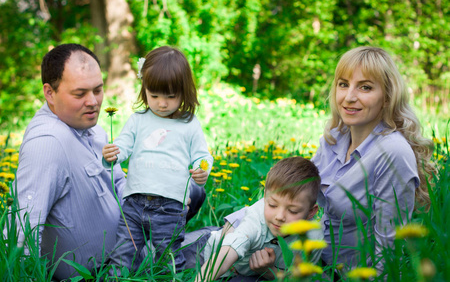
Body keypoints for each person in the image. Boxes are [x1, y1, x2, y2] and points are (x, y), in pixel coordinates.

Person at [14, 44, 206, 281]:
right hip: (103, 271)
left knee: (194, 191)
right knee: (222, 240)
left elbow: (118, 183)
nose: (93, 102)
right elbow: (24, 224)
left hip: (135, 232)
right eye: (80, 93)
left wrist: (157, 193)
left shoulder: (90, 128)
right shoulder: (47, 143)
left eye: (97, 90)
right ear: (50, 93)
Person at [313, 46, 435, 273]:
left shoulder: (392, 153)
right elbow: (292, 195)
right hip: (312, 262)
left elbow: (388, 251)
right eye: (343, 84)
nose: (349, 97)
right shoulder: (335, 138)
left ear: (388, 98)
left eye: (365, 87)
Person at [102, 46, 213, 273]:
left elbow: (202, 156)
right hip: (133, 204)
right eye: (154, 96)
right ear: (145, 89)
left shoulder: (189, 124)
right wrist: (113, 155)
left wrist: (202, 169)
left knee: (168, 258)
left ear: (184, 92)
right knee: (122, 256)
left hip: (170, 208)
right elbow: (123, 145)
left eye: (170, 97)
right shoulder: (138, 120)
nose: (162, 103)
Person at [192, 156, 323, 282]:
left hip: (246, 275)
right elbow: (225, 255)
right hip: (207, 250)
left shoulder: (313, 239)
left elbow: (298, 278)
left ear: (311, 212)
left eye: (292, 211)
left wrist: (268, 270)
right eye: (272, 205)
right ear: (265, 197)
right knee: (175, 257)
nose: (279, 216)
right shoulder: (256, 220)